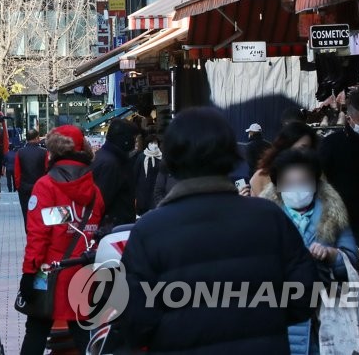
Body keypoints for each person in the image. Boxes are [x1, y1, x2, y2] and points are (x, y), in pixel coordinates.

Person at [119, 107, 318, 354]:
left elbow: (135, 323)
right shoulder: (269, 217)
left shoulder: (148, 231)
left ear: (171, 159)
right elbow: (305, 295)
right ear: (230, 153)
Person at [261, 149, 359, 355]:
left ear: (315, 182)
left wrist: (332, 255)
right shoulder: (265, 217)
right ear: (277, 186)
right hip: (282, 316)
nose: (296, 189)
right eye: (289, 183)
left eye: (303, 182)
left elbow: (352, 260)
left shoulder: (334, 213)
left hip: (329, 318)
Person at [20, 125, 104, 355]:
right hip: (84, 271)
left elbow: (40, 234)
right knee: (83, 333)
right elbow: (90, 228)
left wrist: (29, 272)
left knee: (36, 329)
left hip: (47, 271)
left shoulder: (46, 185)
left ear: (53, 152)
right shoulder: (94, 190)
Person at [319, 89, 359, 273]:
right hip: (336, 215)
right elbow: (321, 176)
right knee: (340, 263)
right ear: (349, 119)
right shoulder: (332, 144)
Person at [91, 118, 139, 232]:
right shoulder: (111, 163)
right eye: (134, 138)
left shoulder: (107, 158)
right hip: (112, 230)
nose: (136, 142)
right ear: (125, 139)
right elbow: (101, 201)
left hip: (113, 227)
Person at [249, 121, 318, 198]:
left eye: (309, 149)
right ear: (285, 147)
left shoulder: (317, 178)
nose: (306, 154)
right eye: (302, 148)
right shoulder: (262, 177)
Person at [16, 129, 47, 223]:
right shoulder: (44, 152)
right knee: (40, 211)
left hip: (24, 186)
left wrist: (18, 186)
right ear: (37, 138)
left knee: (26, 212)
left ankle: (27, 230)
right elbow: (47, 170)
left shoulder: (20, 152)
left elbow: (17, 172)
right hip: (40, 187)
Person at [133, 131, 162, 215]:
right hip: (142, 193)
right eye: (152, 142)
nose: (154, 144)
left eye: (155, 142)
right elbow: (136, 174)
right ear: (148, 144)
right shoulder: (142, 157)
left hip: (155, 191)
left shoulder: (161, 157)